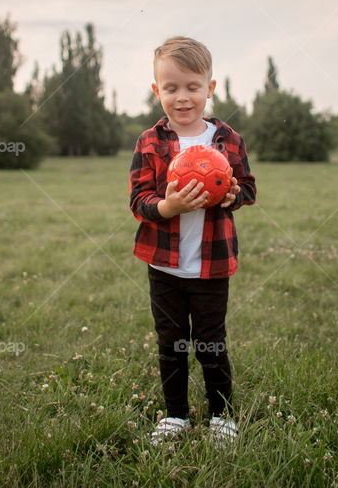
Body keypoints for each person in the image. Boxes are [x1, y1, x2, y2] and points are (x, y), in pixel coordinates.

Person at [128, 35, 257, 447]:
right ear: (156, 91)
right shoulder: (150, 142)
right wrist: (168, 206)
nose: (182, 97)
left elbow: (249, 189)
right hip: (163, 264)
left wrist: (234, 194)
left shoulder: (228, 140)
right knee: (171, 341)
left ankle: (221, 416)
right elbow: (138, 199)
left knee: (210, 341)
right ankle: (176, 416)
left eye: (192, 87)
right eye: (171, 88)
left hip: (211, 264)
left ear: (210, 88)